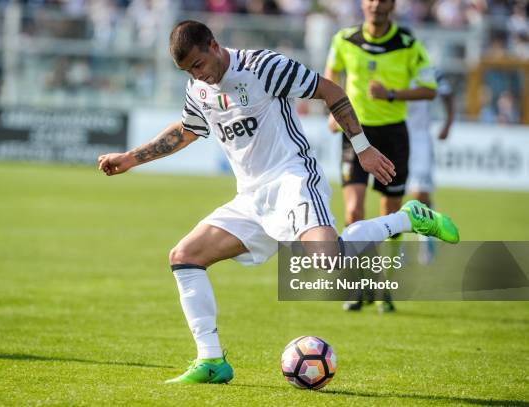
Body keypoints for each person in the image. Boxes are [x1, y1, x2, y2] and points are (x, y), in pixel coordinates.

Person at [98, 20, 459, 384]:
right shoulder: (198, 89)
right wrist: (131, 158)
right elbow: (187, 129)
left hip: (293, 180)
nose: (197, 74)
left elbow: (330, 90)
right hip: (251, 197)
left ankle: (407, 218)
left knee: (328, 264)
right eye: (188, 71)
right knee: (184, 256)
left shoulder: (263, 67)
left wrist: (362, 149)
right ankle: (211, 361)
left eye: (198, 64)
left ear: (212, 44)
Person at [324, 0, 438, 312]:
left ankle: (385, 284)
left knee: (391, 216)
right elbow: (330, 77)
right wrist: (333, 112)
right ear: (364, 4)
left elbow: (430, 89)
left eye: (383, 0)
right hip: (356, 134)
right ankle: (361, 283)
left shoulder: (408, 44)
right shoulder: (344, 39)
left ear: (392, 5)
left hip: (393, 136)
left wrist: (392, 94)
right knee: (353, 212)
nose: (376, 5)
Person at [406, 72, 455, 264]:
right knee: (392, 195)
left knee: (420, 194)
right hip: (393, 135)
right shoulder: (388, 59)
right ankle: (396, 247)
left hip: (419, 140)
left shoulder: (428, 70)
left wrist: (448, 123)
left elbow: (448, 94)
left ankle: (427, 240)